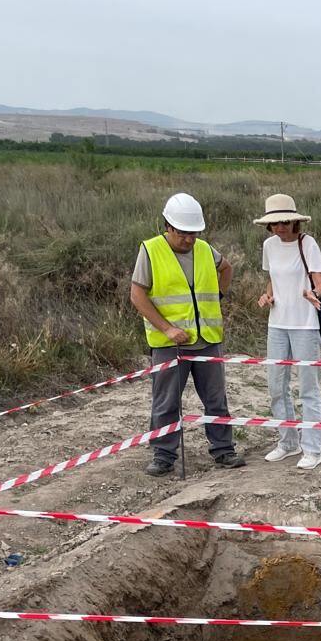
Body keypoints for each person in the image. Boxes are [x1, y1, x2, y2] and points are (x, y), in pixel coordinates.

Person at [129, 193, 245, 476]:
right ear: (167, 226)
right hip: (170, 344)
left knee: (216, 400)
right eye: (183, 233)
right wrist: (167, 328)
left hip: (208, 340)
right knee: (166, 402)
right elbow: (137, 295)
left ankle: (223, 450)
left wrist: (218, 296)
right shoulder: (151, 250)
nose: (189, 239)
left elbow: (226, 268)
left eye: (194, 233)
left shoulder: (204, 249)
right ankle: (163, 455)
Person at [253, 193, 321, 470]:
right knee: (276, 386)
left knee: (308, 388)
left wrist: (313, 294)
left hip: (305, 324)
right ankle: (287, 443)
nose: (279, 228)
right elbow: (272, 279)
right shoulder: (269, 246)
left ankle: (313, 449)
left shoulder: (308, 244)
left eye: (284, 222)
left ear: (295, 222)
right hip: (277, 324)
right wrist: (268, 296)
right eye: (274, 223)